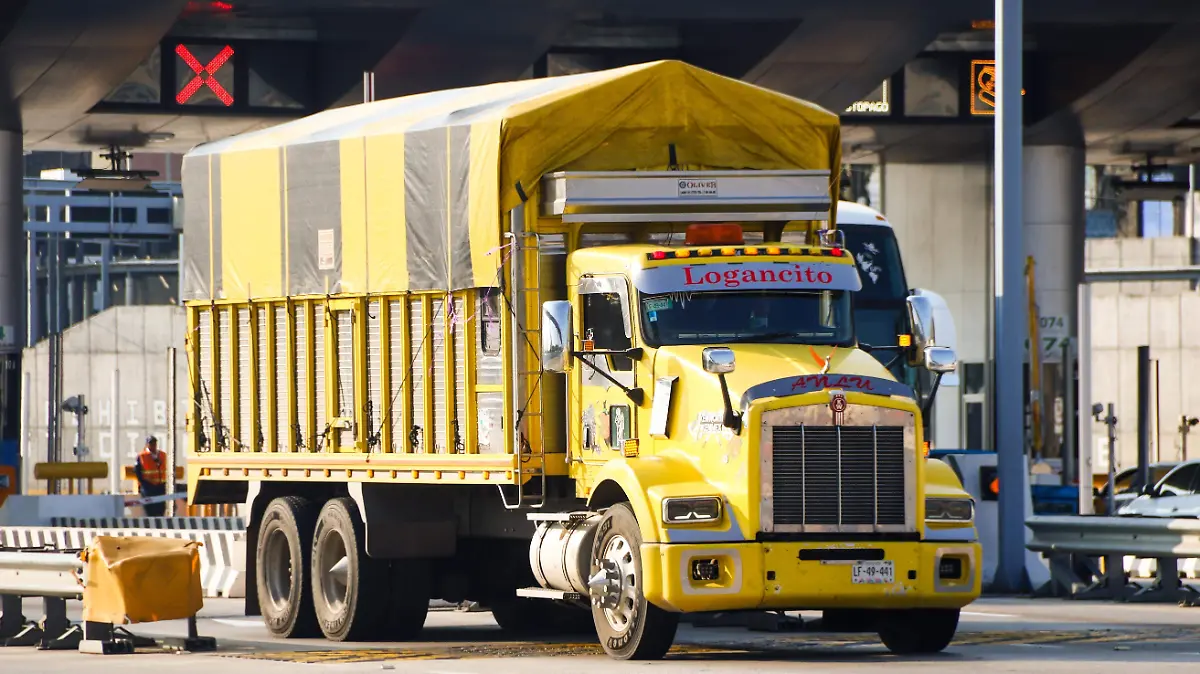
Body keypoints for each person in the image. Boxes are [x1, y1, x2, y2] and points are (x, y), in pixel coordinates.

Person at [134, 436, 168, 517]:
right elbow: (137, 471)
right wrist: (144, 484)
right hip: (148, 487)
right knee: (150, 509)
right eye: (151, 444)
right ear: (147, 445)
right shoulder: (142, 456)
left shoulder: (162, 455)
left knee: (161, 508)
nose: (153, 445)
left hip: (160, 486)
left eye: (154, 443)